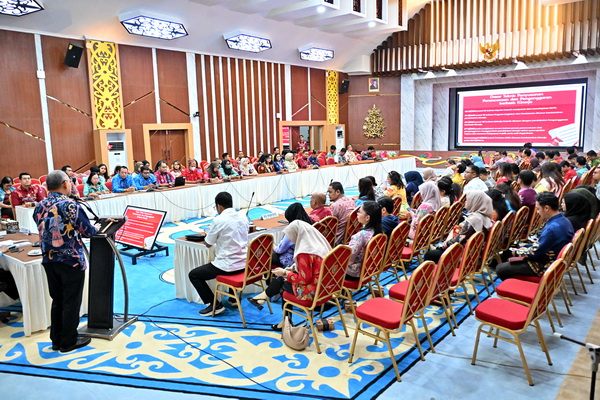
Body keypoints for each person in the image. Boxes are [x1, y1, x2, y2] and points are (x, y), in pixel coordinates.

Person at [33, 170, 98, 352]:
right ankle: (68, 341)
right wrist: (97, 227)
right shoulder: (70, 205)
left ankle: (56, 340)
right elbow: (87, 231)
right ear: (65, 183)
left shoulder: (39, 206)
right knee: (71, 301)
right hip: (71, 260)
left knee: (58, 300)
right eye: (70, 182)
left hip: (49, 259)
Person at [247, 220, 332, 330]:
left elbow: (304, 279)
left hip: (314, 292)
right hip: (327, 287)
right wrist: (292, 269)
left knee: (285, 284)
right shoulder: (317, 245)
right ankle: (265, 297)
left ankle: (286, 321)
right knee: (285, 278)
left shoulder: (304, 253)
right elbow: (313, 267)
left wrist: (285, 273)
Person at [188, 192, 249, 316]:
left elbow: (208, 243)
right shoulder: (243, 217)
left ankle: (215, 305)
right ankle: (232, 298)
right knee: (233, 254)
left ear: (219, 206)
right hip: (244, 263)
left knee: (194, 275)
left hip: (228, 266)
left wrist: (209, 234)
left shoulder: (219, 220)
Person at [495, 192, 574, 281]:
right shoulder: (564, 220)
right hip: (552, 260)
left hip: (545, 266)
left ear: (547, 208)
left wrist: (516, 252)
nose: (537, 212)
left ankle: (517, 286)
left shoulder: (552, 229)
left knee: (500, 269)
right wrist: (521, 249)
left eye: (538, 209)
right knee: (508, 253)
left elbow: (535, 253)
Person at [425, 191, 493, 263]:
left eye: (468, 200)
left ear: (475, 202)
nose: (466, 201)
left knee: (430, 254)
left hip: (463, 255)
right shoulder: (486, 218)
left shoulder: (474, 220)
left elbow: (460, 239)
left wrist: (442, 246)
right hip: (474, 254)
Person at [346, 201, 383, 279]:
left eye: (359, 211)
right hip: (369, 269)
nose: (357, 213)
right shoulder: (380, 233)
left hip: (354, 272)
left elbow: (349, 259)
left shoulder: (361, 235)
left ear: (367, 217)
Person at [270, 203, 312, 269]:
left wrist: (272, 246)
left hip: (294, 260)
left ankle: (269, 275)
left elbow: (280, 250)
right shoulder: (310, 225)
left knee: (270, 255)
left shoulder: (293, 229)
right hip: (308, 255)